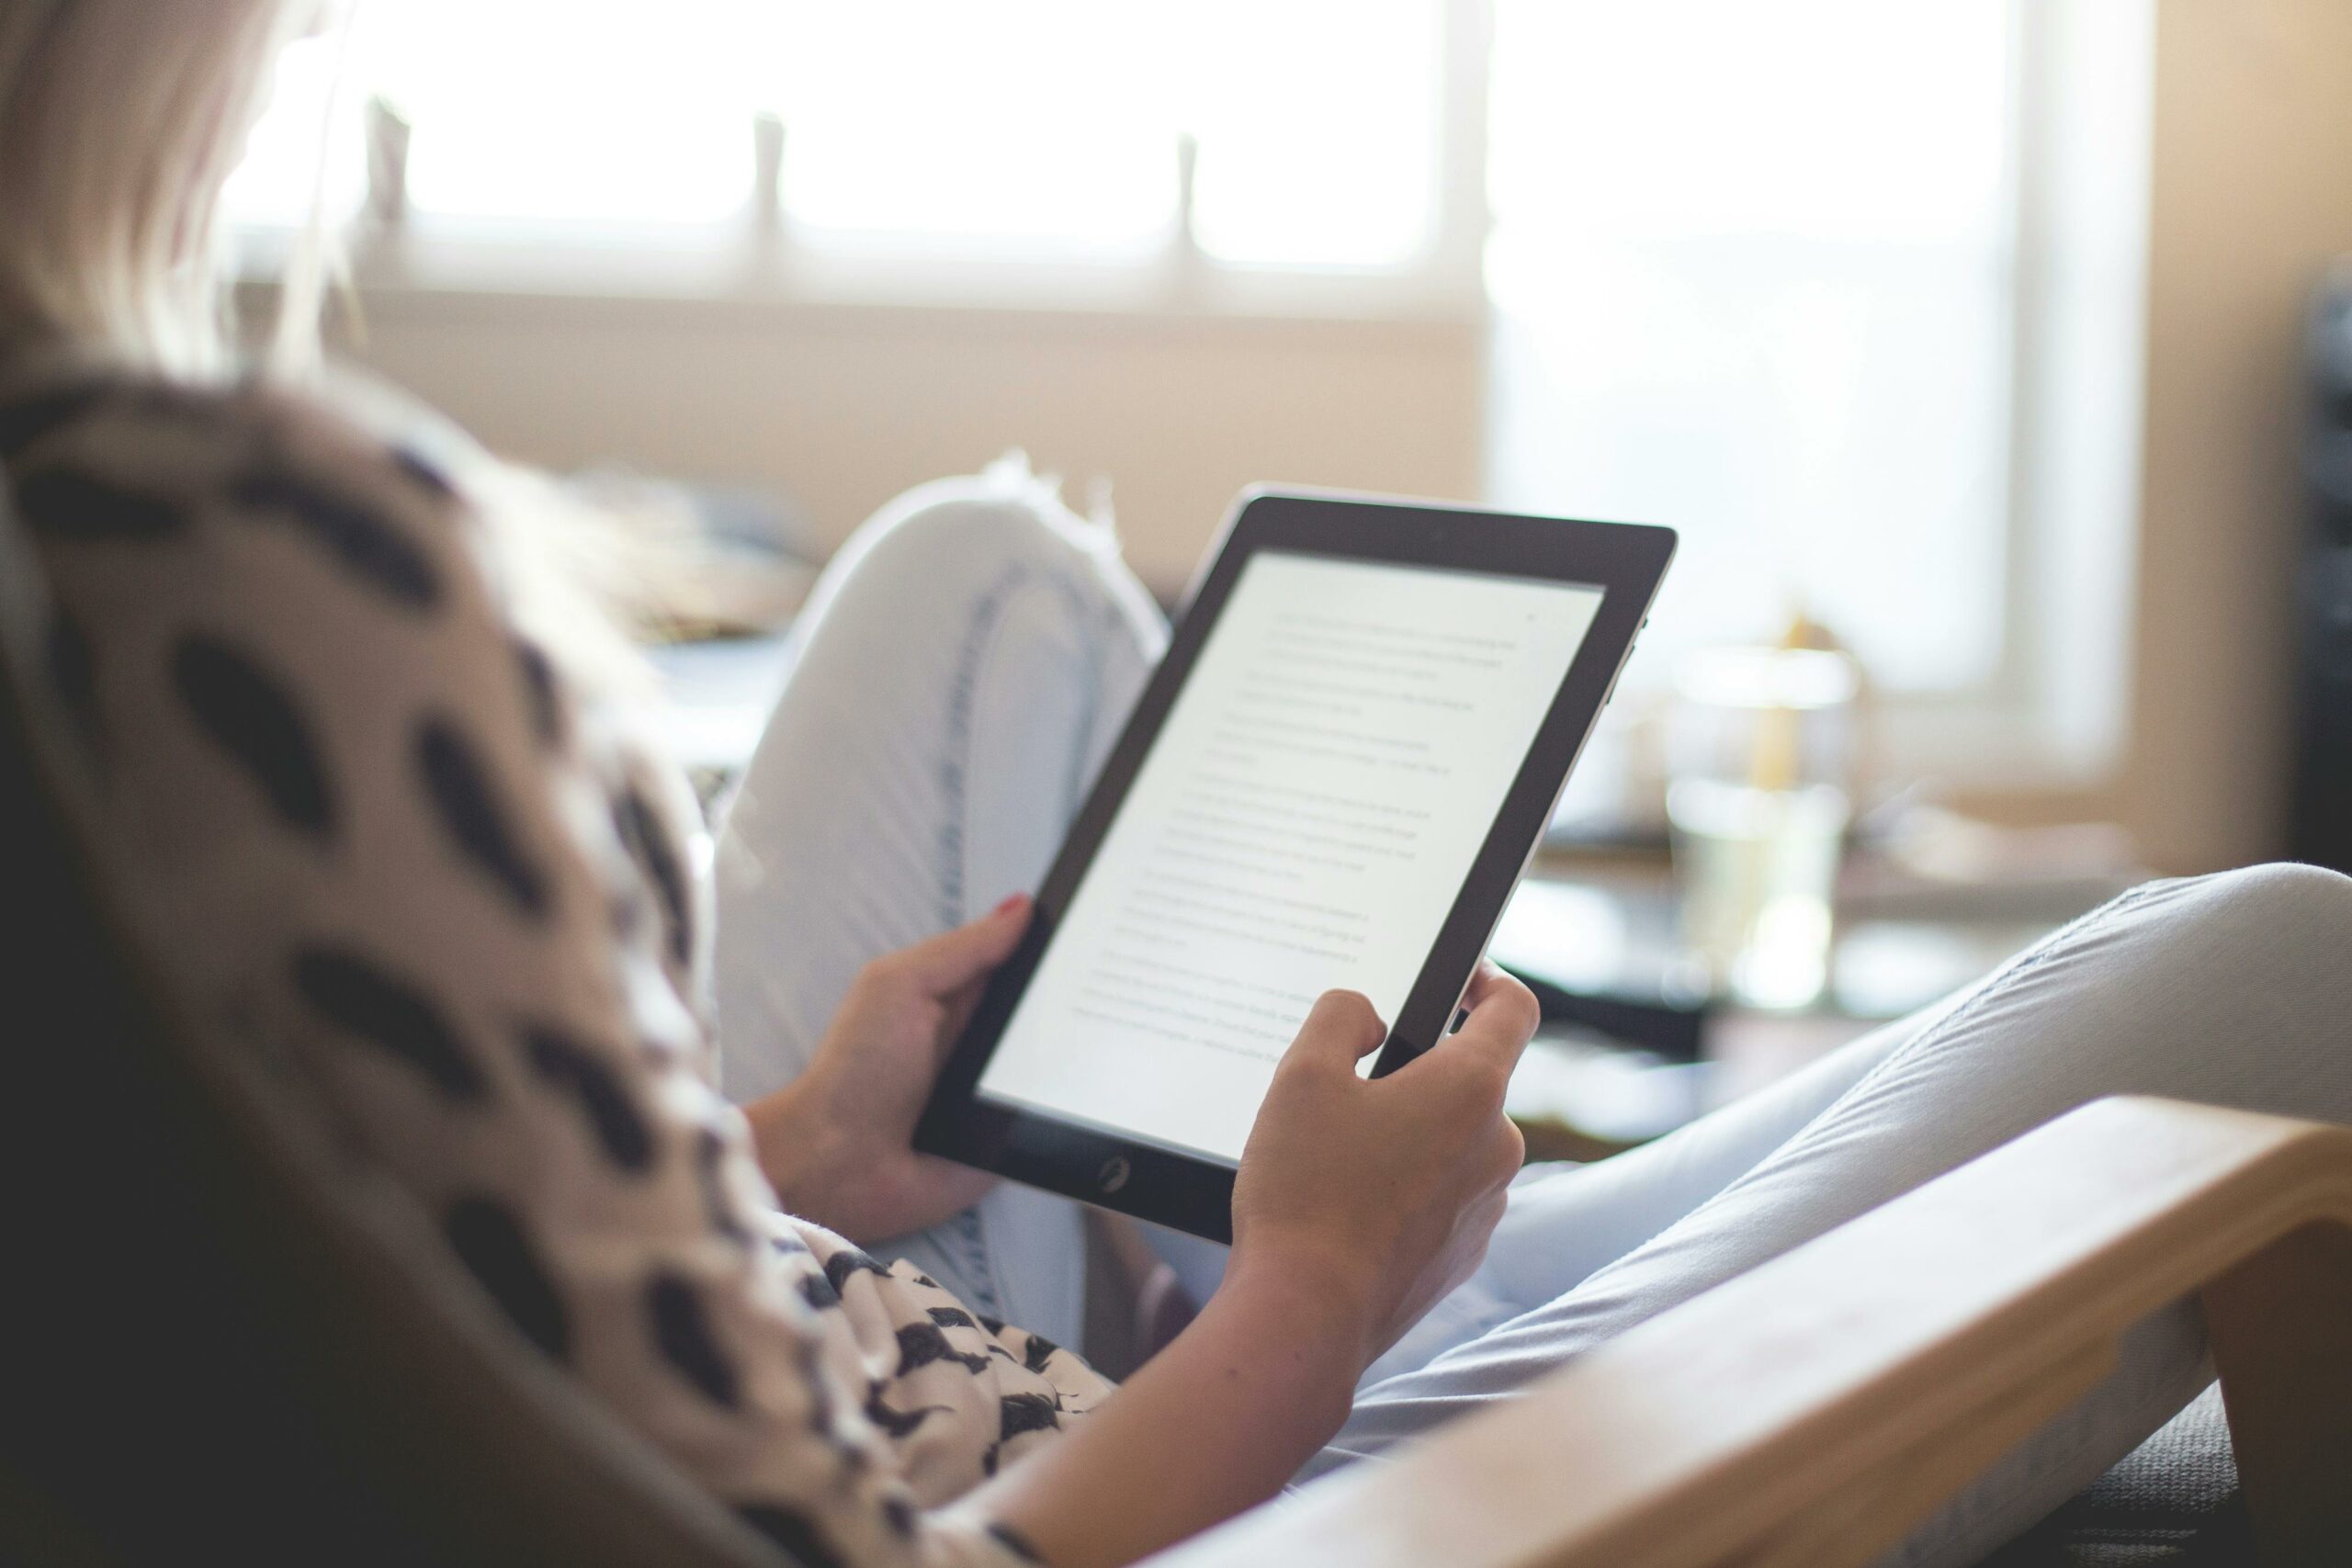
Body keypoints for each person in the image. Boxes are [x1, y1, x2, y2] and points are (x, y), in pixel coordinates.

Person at [3, 5, 2347, 1565]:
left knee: (988, 571)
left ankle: (1270, 1228)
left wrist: (807, 1146)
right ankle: (1337, 1262)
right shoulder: (222, 557)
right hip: (1207, 1493)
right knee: (2281, 958)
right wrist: (1299, 1306)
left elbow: (445, 1263)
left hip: (876, 1300)